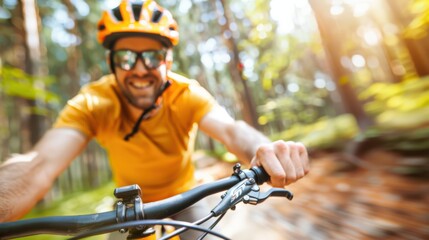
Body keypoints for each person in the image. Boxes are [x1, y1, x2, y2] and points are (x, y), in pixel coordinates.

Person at [0, 0, 309, 238]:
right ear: (112, 63)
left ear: (167, 61)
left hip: (187, 197)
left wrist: (266, 150)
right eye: (125, 58)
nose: (138, 69)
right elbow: (37, 164)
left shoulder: (186, 93)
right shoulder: (94, 100)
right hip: (128, 207)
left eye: (151, 56)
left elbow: (232, 130)